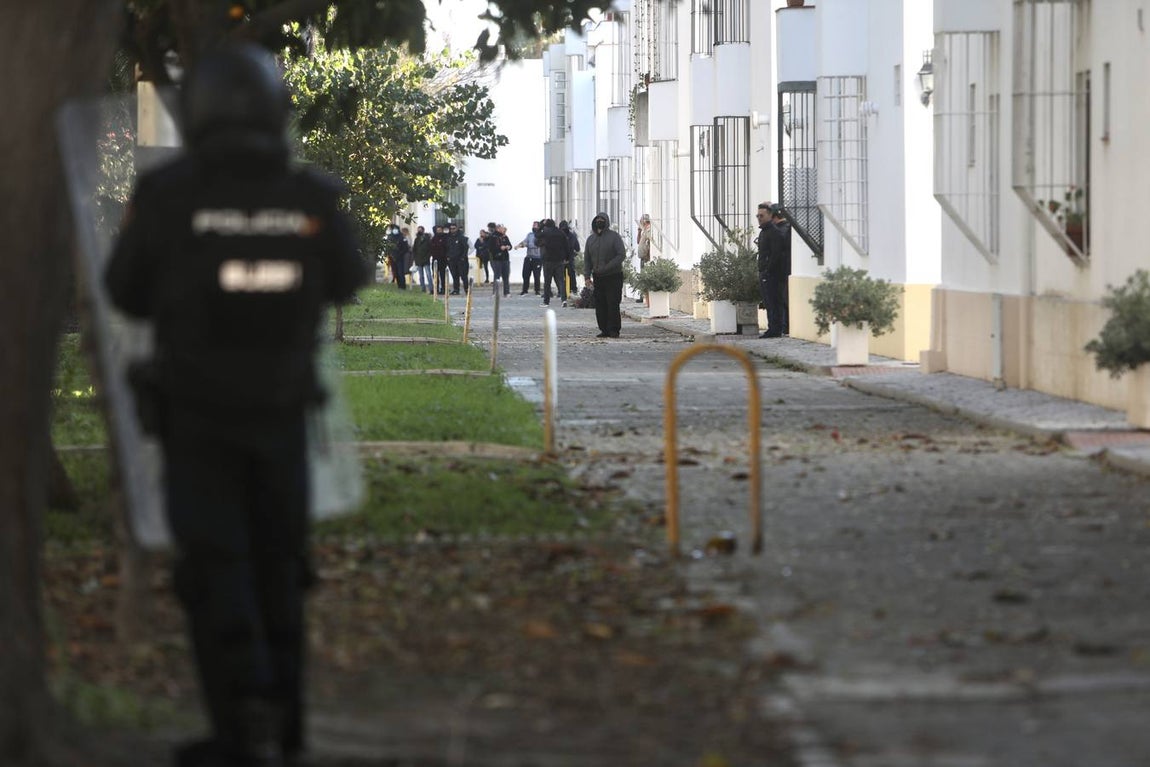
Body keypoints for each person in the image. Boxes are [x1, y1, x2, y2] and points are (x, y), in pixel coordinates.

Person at [103, 42, 368, 767]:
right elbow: (348, 278)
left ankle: (239, 720)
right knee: (282, 565)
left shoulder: (167, 196)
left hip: (196, 419)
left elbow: (123, 288)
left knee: (214, 564)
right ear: (277, 108)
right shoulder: (310, 195)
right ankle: (284, 728)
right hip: (283, 415)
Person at [583, 211, 627, 338]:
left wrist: (607, 267)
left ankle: (614, 329)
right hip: (598, 277)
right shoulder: (590, 240)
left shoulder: (614, 237)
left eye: (602, 219)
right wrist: (587, 276)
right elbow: (587, 259)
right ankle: (604, 329)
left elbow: (621, 255)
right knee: (600, 304)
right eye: (598, 220)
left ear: (606, 222)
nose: (599, 222)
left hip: (613, 276)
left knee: (613, 303)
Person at [756, 201, 788, 338]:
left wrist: (768, 271)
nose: (759, 218)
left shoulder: (774, 232)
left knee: (774, 301)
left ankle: (775, 329)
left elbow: (775, 255)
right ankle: (772, 328)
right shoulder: (765, 232)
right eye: (757, 216)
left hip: (773, 274)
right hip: (766, 272)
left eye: (762, 215)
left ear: (770, 215)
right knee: (769, 302)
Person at [537, 218, 571, 307]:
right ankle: (564, 299)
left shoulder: (545, 233)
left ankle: (546, 301)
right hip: (559, 260)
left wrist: (541, 226)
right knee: (561, 280)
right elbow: (566, 246)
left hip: (548, 260)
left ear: (546, 226)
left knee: (547, 281)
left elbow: (537, 238)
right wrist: (567, 257)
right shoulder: (561, 233)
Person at [515, 222, 542, 295]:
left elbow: (537, 245)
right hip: (528, 257)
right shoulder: (530, 235)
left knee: (536, 275)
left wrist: (528, 245)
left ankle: (537, 290)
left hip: (537, 258)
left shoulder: (541, 235)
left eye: (535, 226)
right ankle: (524, 290)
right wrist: (519, 245)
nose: (533, 227)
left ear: (539, 227)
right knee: (525, 274)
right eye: (533, 225)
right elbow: (525, 242)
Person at [445, 222, 470, 294]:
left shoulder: (461, 237)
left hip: (461, 260)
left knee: (463, 276)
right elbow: (447, 248)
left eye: (454, 228)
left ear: (456, 229)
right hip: (452, 260)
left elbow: (465, 248)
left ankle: (467, 289)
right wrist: (448, 257)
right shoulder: (449, 238)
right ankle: (456, 289)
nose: (452, 230)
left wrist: (463, 257)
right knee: (454, 275)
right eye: (451, 229)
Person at [488, 222, 512, 296]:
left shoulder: (505, 236)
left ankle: (507, 292)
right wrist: (499, 248)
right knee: (497, 276)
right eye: (502, 228)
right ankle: (495, 292)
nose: (503, 229)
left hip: (505, 258)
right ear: (498, 229)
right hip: (497, 259)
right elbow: (490, 248)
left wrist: (508, 247)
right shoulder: (493, 237)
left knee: (506, 276)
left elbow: (510, 245)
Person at [636, 213, 655, 303]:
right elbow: (638, 241)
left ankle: (645, 297)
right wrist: (639, 231)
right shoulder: (644, 231)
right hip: (642, 257)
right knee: (642, 277)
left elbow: (649, 244)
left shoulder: (649, 230)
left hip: (646, 257)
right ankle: (642, 295)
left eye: (641, 221)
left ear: (644, 221)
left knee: (645, 277)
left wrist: (648, 255)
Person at [559, 220, 580, 295]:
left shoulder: (559, 236)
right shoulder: (572, 236)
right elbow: (577, 248)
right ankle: (573, 290)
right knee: (571, 274)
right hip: (570, 258)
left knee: (561, 276)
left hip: (561, 258)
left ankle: (562, 292)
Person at [387, 225, 410, 290]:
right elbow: (387, 247)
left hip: (400, 257)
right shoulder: (390, 237)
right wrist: (390, 255)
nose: (394, 230)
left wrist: (400, 254)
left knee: (400, 272)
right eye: (393, 229)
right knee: (395, 272)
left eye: (395, 229)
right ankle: (399, 285)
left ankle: (403, 286)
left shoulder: (402, 237)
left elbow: (405, 248)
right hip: (392, 257)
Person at [412, 224, 432, 293]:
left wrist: (428, 257)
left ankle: (431, 289)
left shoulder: (427, 239)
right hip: (418, 260)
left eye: (420, 230)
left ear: (423, 230)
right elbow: (414, 249)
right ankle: (422, 288)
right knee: (421, 276)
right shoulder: (416, 239)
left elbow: (430, 249)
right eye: (418, 230)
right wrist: (415, 258)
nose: (419, 231)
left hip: (426, 260)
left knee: (428, 275)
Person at [429, 224, 448, 295]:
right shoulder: (433, 238)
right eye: (437, 230)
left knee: (443, 275)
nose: (438, 231)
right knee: (435, 275)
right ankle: (436, 289)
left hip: (443, 259)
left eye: (440, 230)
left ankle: (444, 289)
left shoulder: (445, 237)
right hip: (435, 259)